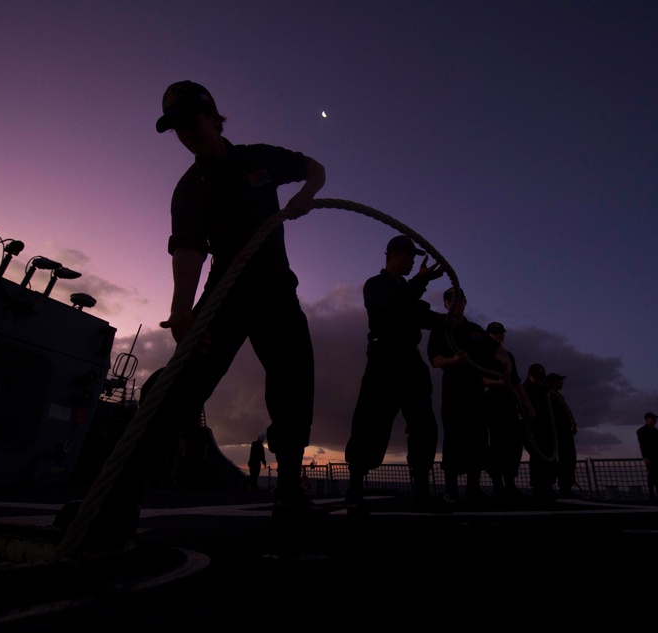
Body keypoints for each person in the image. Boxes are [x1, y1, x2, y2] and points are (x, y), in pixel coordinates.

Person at [85, 81, 326, 546]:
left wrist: (306, 195)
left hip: (276, 290)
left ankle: (290, 492)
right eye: (176, 129)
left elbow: (313, 167)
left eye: (191, 122)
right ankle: (120, 492)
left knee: (295, 379)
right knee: (182, 379)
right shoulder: (189, 188)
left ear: (215, 117)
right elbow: (190, 249)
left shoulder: (259, 158)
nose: (186, 134)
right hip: (228, 292)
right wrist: (181, 311)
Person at [343, 235, 447, 515]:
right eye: (410, 256)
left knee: (424, 424)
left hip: (410, 360)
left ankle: (422, 493)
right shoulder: (375, 285)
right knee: (369, 422)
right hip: (384, 357)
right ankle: (354, 490)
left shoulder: (411, 292)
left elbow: (427, 317)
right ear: (395, 254)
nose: (414, 261)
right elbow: (391, 306)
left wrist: (452, 320)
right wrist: (421, 281)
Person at [427, 287, 495, 509]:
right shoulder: (440, 329)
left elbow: (495, 352)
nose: (455, 303)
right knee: (454, 438)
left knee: (477, 438)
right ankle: (451, 491)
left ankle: (473, 490)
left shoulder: (476, 330)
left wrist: (506, 367)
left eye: (459, 299)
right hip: (454, 391)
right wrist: (453, 361)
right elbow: (435, 360)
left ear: (465, 302)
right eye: (450, 300)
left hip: (476, 390)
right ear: (446, 304)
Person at [481, 322, 534, 506]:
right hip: (493, 402)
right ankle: (498, 487)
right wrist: (497, 383)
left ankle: (510, 485)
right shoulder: (482, 353)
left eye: (500, 333)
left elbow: (517, 382)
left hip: (510, 402)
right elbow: (478, 379)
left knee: (514, 444)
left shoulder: (508, 356)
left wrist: (528, 405)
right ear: (488, 334)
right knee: (497, 444)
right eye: (494, 333)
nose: (498, 335)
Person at [522, 363, 557, 503]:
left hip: (544, 428)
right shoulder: (525, 390)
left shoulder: (543, 390)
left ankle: (547, 486)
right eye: (536, 377)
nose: (539, 380)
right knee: (538, 458)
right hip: (532, 429)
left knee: (547, 456)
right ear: (529, 376)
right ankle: (539, 488)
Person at [547, 373, 579, 499]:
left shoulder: (555, 396)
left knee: (568, 459)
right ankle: (559, 488)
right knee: (564, 460)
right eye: (559, 381)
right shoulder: (550, 396)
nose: (562, 383)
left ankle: (565, 488)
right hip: (558, 433)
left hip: (564, 432)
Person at [637, 412, 658, 500]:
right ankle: (652, 495)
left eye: (655, 419)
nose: (654, 420)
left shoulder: (656, 431)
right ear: (647, 420)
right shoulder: (642, 431)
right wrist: (645, 456)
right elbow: (642, 444)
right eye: (652, 419)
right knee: (652, 475)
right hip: (650, 456)